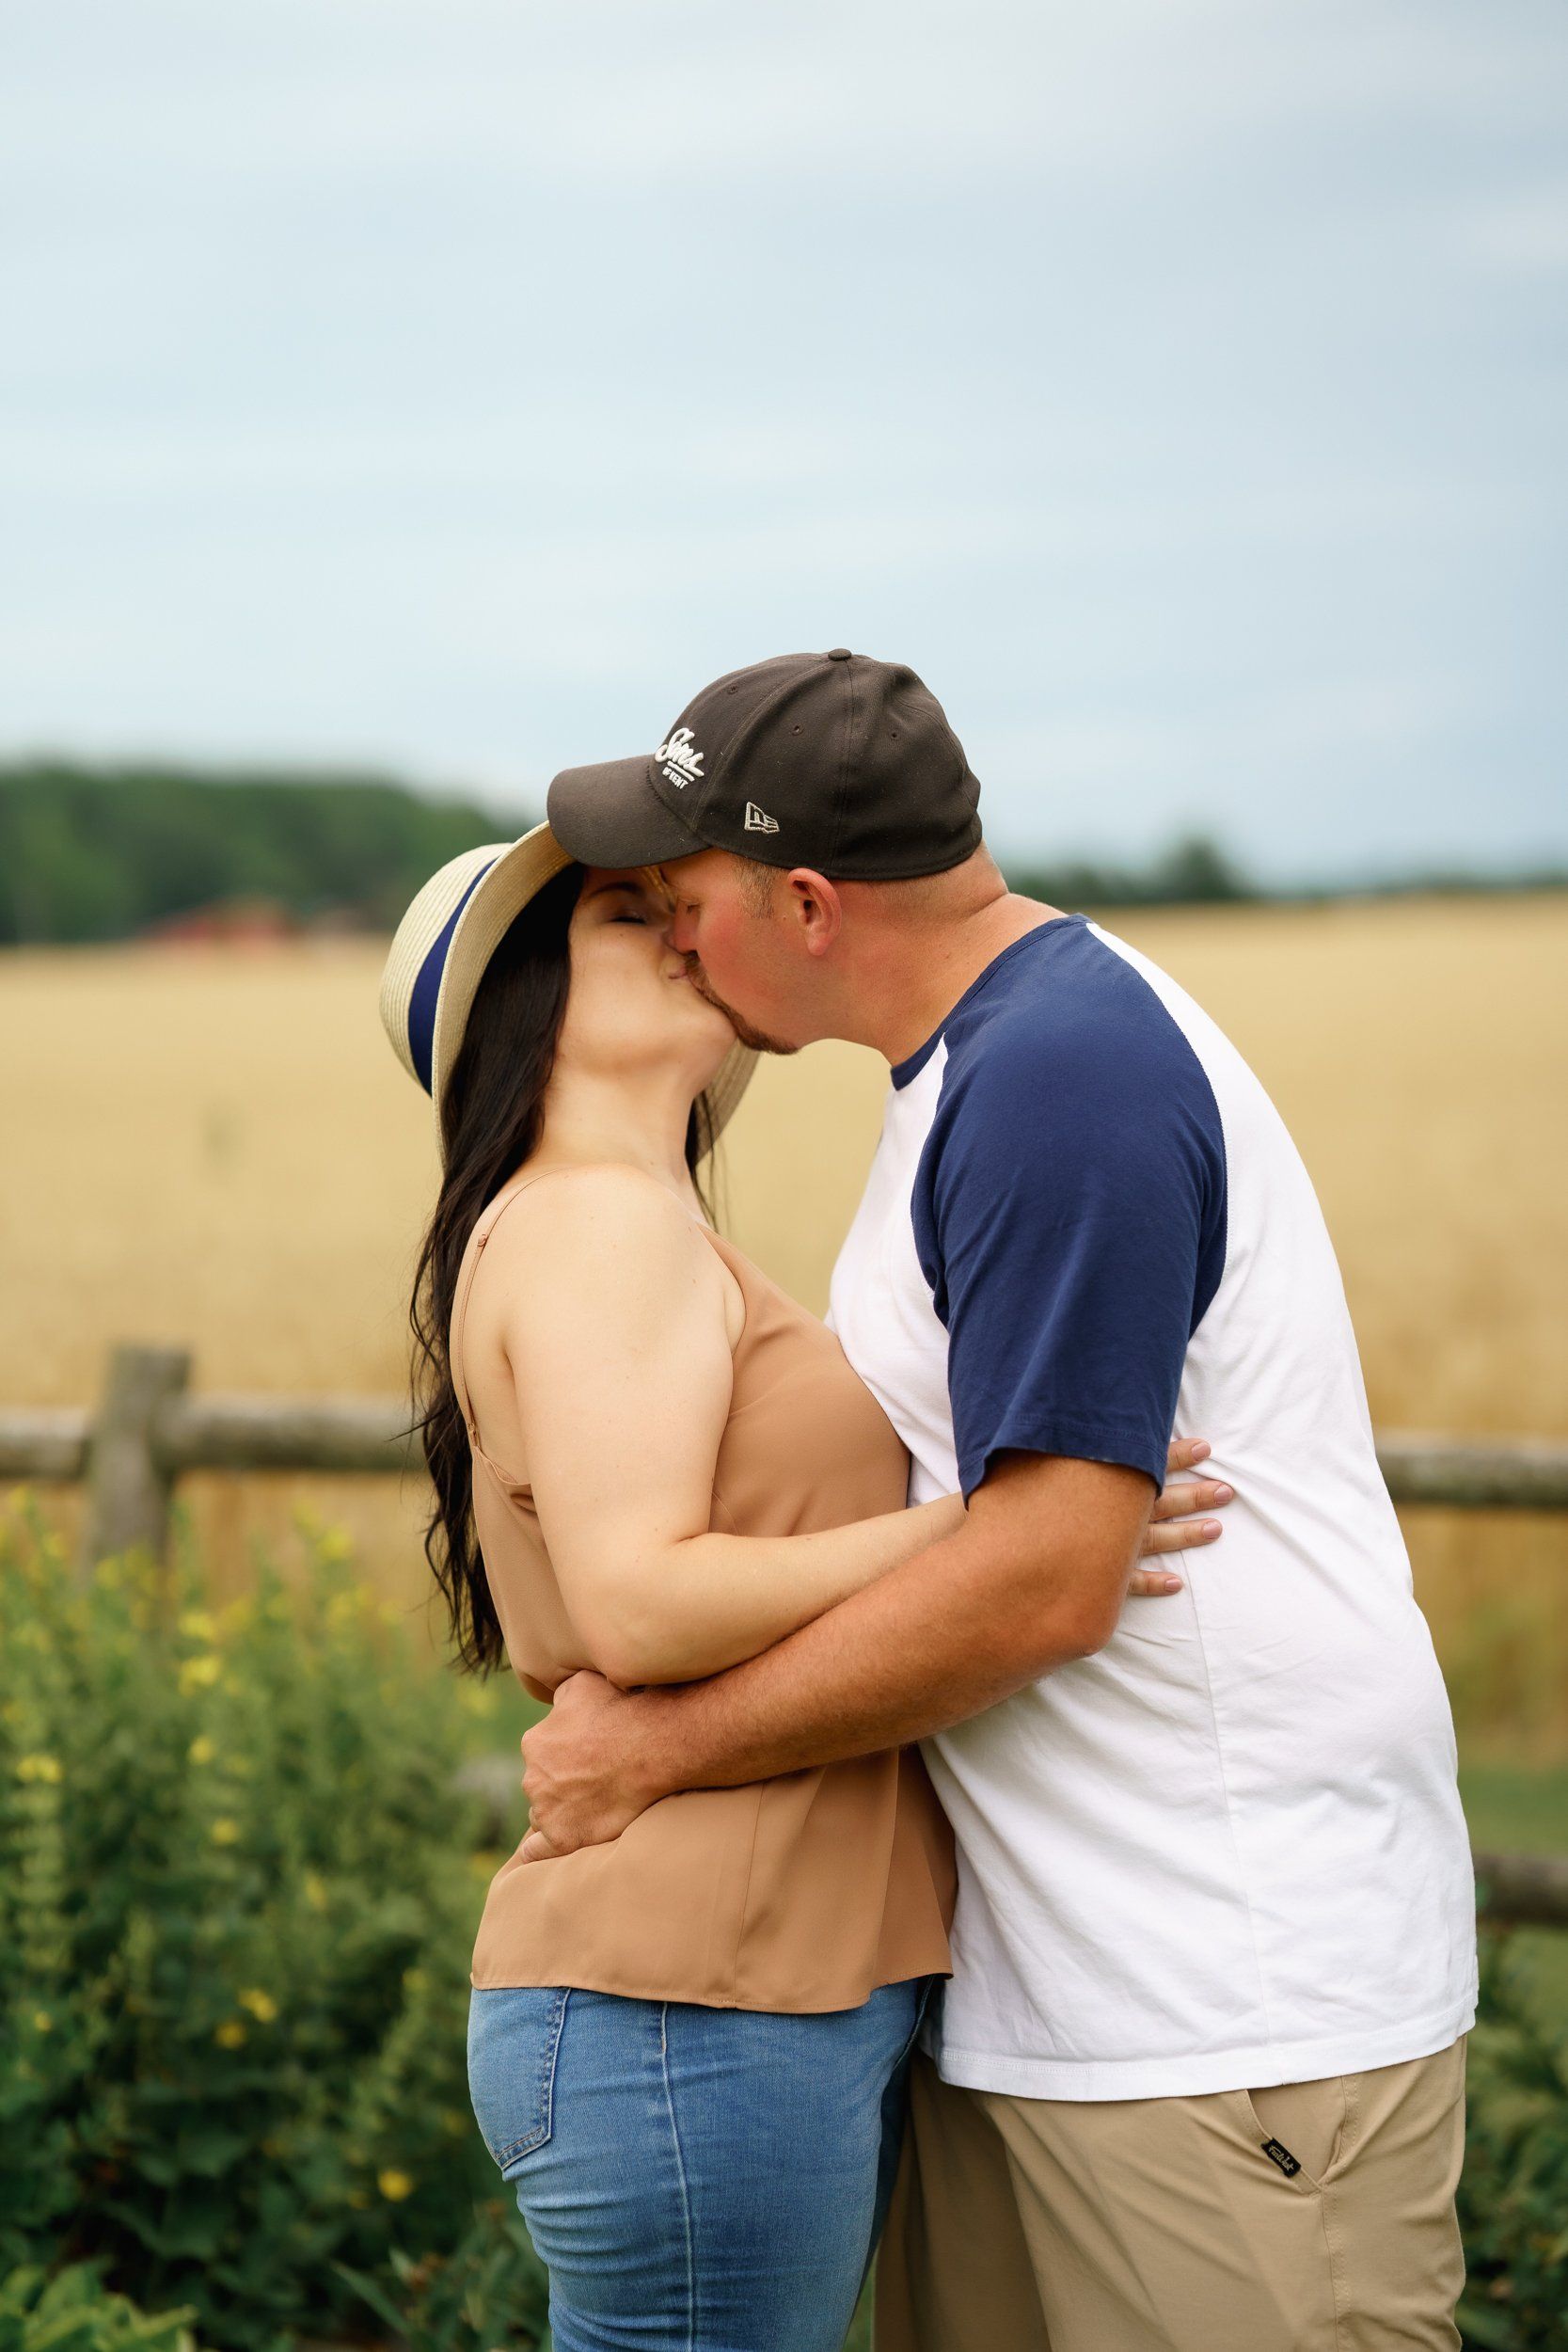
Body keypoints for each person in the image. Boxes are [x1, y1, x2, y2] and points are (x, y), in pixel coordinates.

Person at [529, 647, 1481, 2352]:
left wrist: (660, 1750)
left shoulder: (1062, 1080)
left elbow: (1046, 1573)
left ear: (806, 902)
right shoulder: (971, 1073)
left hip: (1222, 2013)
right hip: (1067, 2005)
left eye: (684, 897)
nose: (673, 934)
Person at [376, 822, 1228, 2352]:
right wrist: (998, 1527)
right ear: (521, 1003)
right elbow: (639, 1605)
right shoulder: (593, 1222)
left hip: (725, 1993)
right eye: (625, 918)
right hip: (693, 2003)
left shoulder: (634, 1227)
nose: (682, 931)